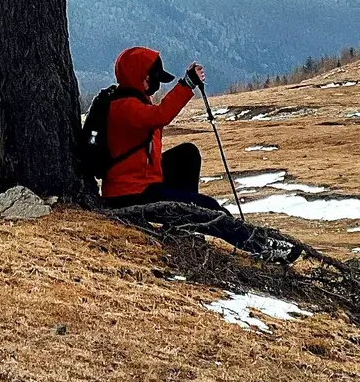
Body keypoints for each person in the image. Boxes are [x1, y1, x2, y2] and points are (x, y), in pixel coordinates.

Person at [101, 46, 300, 263]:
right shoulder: (125, 106)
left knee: (187, 154)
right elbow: (161, 115)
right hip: (131, 193)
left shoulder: (130, 100)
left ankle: (184, 227)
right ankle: (260, 246)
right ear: (141, 77)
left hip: (139, 181)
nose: (155, 85)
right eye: (153, 78)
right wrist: (186, 85)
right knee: (205, 207)